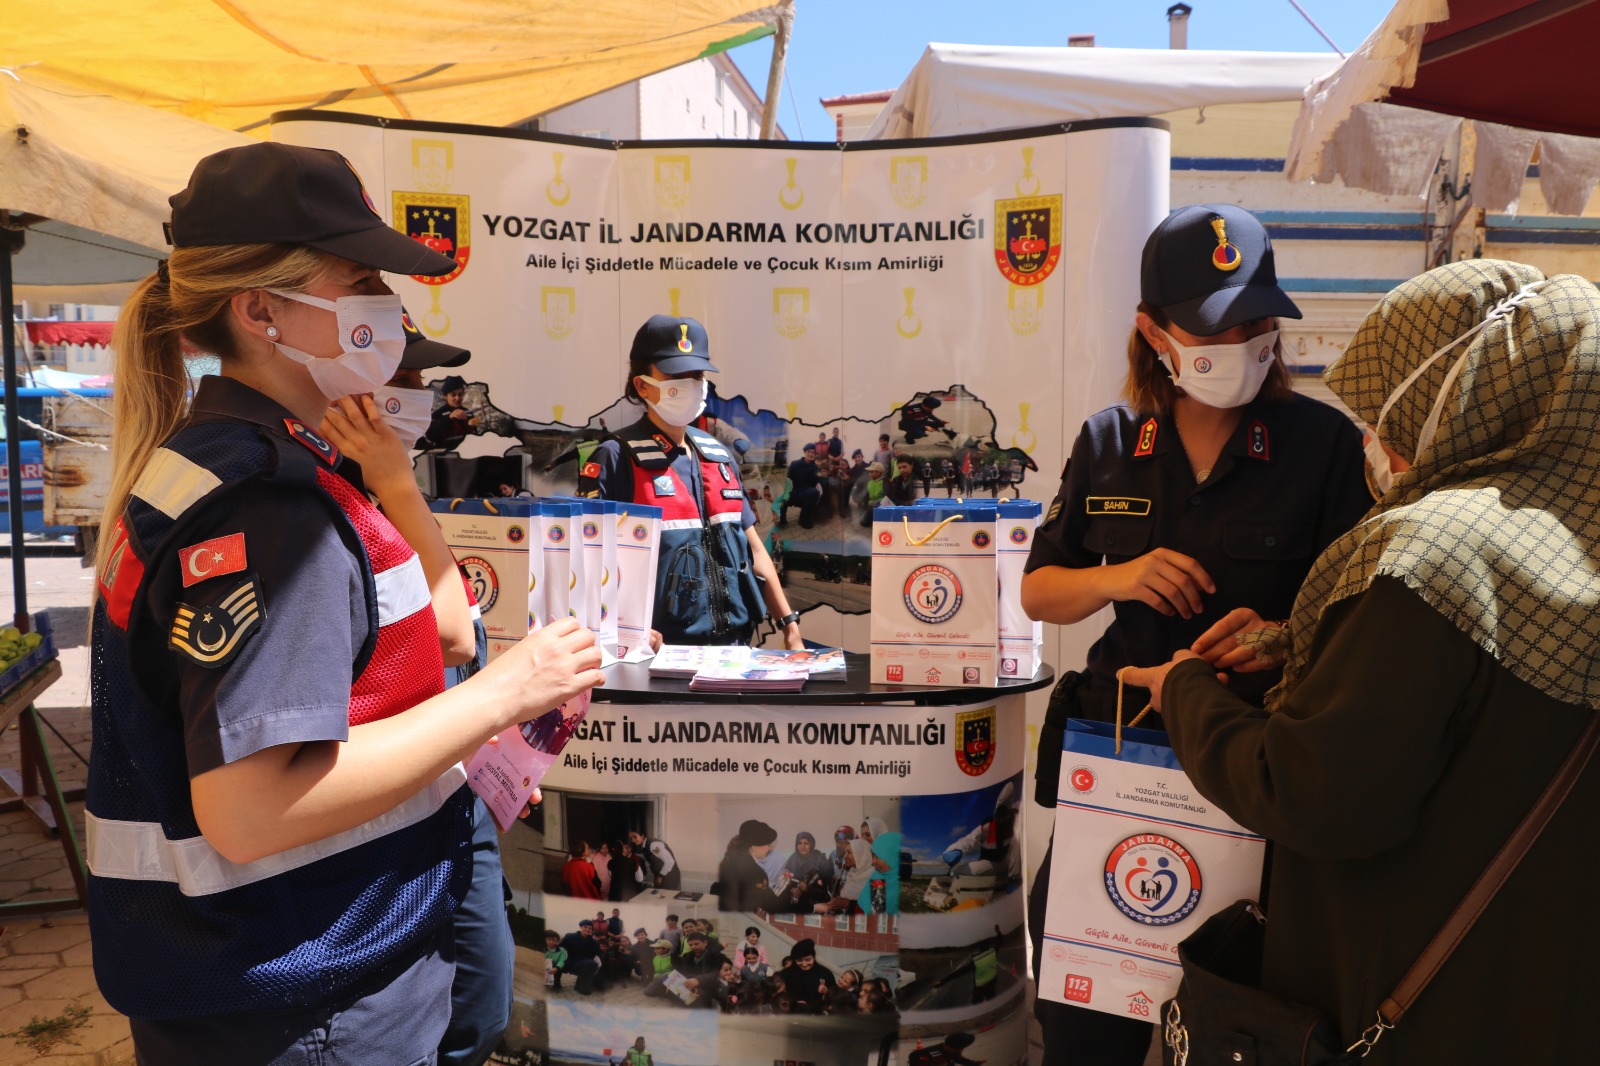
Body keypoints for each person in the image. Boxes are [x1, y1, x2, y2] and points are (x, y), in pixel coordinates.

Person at [83, 141, 604, 1064]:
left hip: (275, 973)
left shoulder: (237, 464)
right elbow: (252, 811)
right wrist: (503, 692)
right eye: (360, 278)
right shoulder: (269, 504)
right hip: (304, 991)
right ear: (260, 311)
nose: (388, 308)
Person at [1124, 260, 1600, 1066]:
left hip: (1409, 1004)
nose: (1373, 438)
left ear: (1458, 392)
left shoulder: (1436, 554)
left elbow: (1314, 794)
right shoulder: (1565, 530)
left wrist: (1188, 694)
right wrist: (1299, 645)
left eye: (1387, 410)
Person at [1018, 203, 1370, 1066]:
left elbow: (1361, 612)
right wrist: (1121, 575)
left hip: (1251, 783)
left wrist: (1285, 636)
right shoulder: (1108, 441)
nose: (1247, 342)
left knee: (1237, 1025)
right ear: (1154, 331)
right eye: (1217, 325)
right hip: (1121, 771)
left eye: (1259, 321)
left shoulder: (1323, 445)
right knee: (1086, 1025)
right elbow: (1039, 591)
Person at [579, 315, 804, 649]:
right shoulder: (615, 457)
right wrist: (625, 629)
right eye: (674, 375)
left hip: (734, 650)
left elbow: (754, 549)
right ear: (642, 385)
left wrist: (789, 627)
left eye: (696, 375)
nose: (689, 384)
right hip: (659, 656)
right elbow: (589, 562)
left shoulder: (719, 457)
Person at [775, 938, 836, 1013]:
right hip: (790, 1014)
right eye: (799, 960)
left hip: (816, 1015)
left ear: (813, 957)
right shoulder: (786, 973)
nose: (804, 964)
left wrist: (827, 991)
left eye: (808, 960)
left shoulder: (825, 973)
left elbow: (836, 996)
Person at [420, 373, 478, 451]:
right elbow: (430, 434)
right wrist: (448, 418)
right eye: (453, 395)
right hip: (444, 452)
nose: (457, 398)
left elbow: (473, 432)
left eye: (460, 395)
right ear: (445, 396)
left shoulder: (468, 412)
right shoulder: (438, 414)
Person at [859, 816, 901, 915]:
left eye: (868, 834)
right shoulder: (862, 857)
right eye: (862, 835)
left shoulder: (890, 864)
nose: (864, 838)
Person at [782, 441, 823, 529]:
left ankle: (803, 518)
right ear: (805, 452)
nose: (810, 454)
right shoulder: (794, 464)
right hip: (794, 491)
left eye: (813, 452)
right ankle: (781, 517)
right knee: (783, 494)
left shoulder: (816, 468)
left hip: (807, 492)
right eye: (808, 451)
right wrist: (786, 493)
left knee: (814, 492)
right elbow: (788, 480)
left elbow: (816, 482)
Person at [559, 921, 606, 996]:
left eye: (590, 928)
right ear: (580, 927)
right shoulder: (570, 936)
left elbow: (599, 955)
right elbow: (560, 949)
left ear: (592, 930)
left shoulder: (594, 942)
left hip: (587, 964)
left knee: (600, 984)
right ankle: (556, 982)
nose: (587, 929)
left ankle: (580, 986)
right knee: (554, 960)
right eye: (585, 927)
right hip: (571, 962)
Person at [907, 1032, 985, 1066]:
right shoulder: (930, 1056)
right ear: (956, 1048)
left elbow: (957, 1058)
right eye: (962, 1048)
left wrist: (973, 1063)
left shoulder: (947, 1051)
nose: (962, 1050)